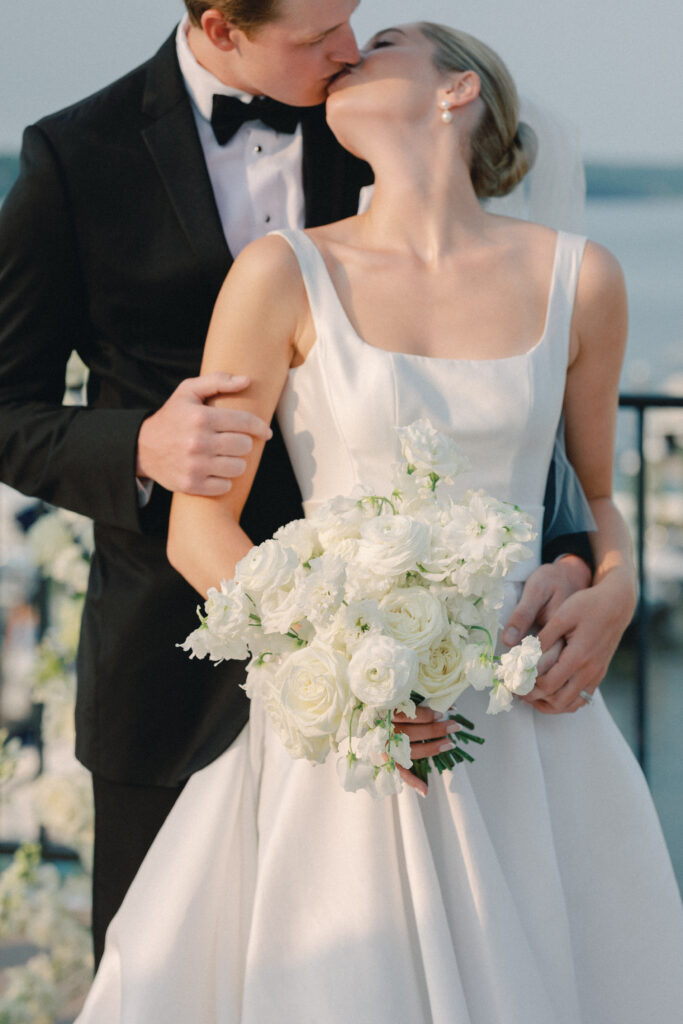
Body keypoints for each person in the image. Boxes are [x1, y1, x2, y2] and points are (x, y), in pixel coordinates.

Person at [74, 21, 683, 1024]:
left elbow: (596, 501)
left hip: (526, 720)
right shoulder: (280, 273)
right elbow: (199, 530)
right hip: (345, 729)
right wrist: (349, 671)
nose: (351, 46)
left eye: (387, 40)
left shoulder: (583, 279)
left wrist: (611, 585)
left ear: (455, 91)